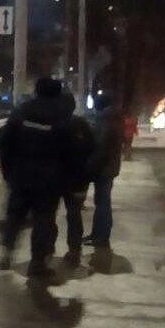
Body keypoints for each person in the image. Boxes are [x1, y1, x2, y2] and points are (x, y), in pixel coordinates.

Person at [0, 78, 72, 278]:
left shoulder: (22, 111)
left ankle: (6, 254)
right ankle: (37, 263)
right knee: (43, 221)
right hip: (49, 180)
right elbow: (69, 150)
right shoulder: (62, 116)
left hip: (20, 175)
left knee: (14, 216)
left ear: (36, 90)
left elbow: (4, 142)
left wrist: (8, 172)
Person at [88, 94, 124, 270]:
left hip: (103, 168)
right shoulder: (115, 118)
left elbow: (101, 145)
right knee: (102, 201)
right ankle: (98, 234)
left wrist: (91, 165)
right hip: (110, 166)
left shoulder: (105, 119)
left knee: (102, 203)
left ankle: (100, 236)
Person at [60, 92, 96, 268]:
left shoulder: (55, 123)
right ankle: (74, 249)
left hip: (55, 176)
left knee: (46, 214)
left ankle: (44, 251)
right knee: (74, 214)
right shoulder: (81, 124)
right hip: (78, 178)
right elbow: (92, 148)